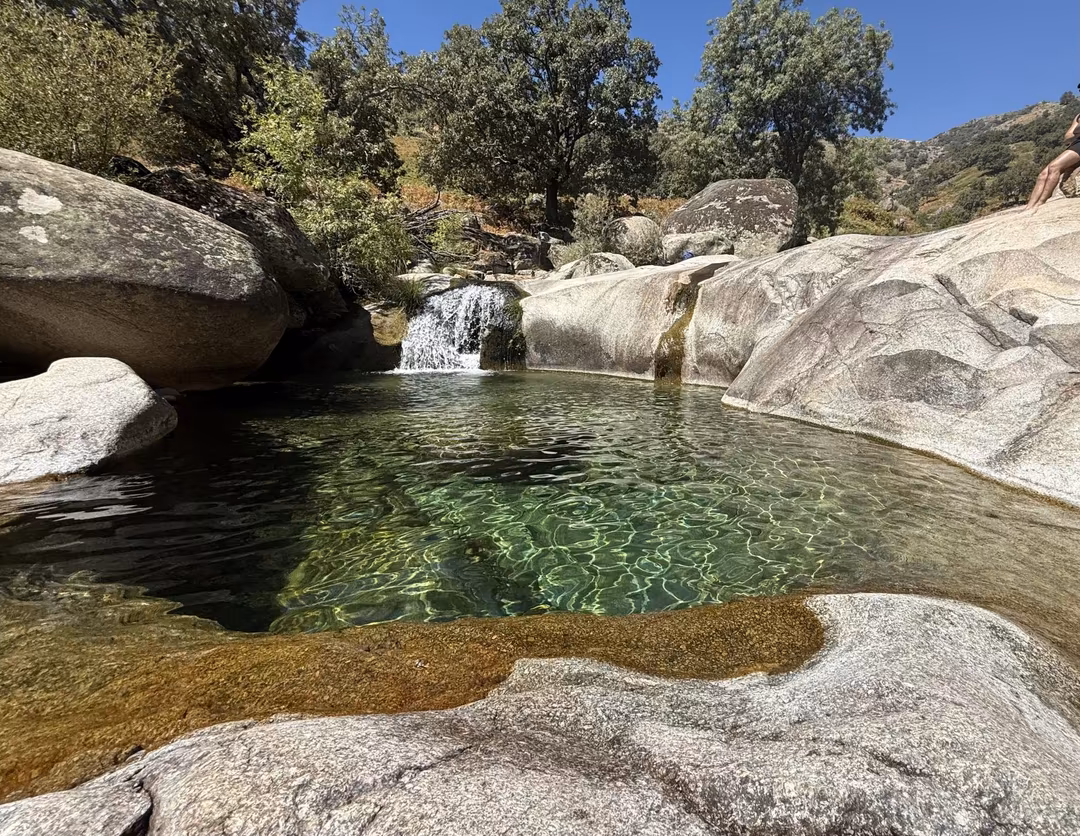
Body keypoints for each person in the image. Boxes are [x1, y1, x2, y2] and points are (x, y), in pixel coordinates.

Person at [1026, 112, 1080, 211]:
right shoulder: (1078, 116)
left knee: (1054, 167)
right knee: (1043, 174)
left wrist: (1076, 133)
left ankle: (1040, 202)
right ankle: (1030, 206)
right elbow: (1067, 138)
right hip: (1075, 144)